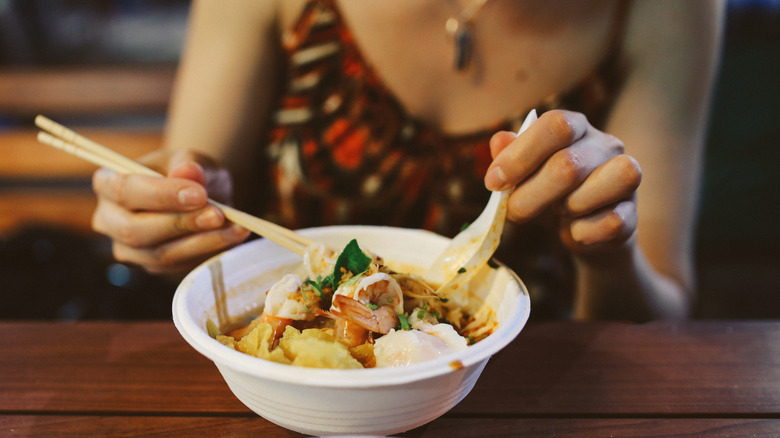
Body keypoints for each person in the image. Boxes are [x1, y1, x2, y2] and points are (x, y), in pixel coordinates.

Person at [91, 0, 724, 321]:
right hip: (281, 393)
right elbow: (191, 201)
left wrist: (606, 245)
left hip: (536, 394)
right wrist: (173, 208)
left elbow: (664, 313)